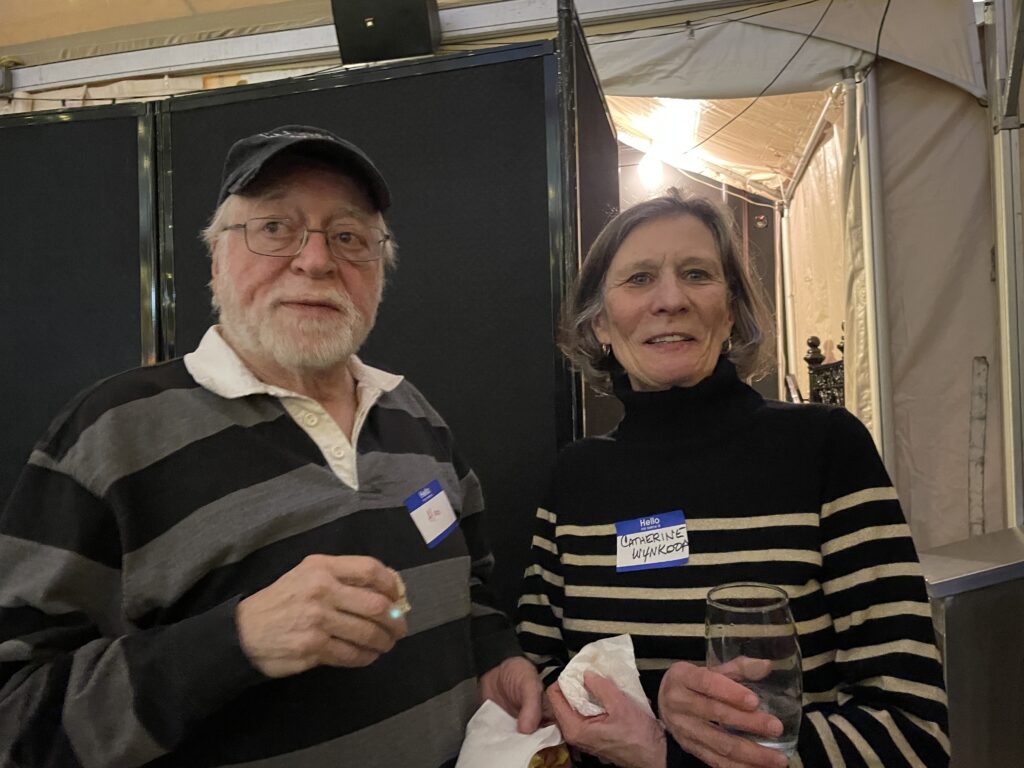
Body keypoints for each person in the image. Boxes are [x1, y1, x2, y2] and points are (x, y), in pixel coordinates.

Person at [0, 125, 541, 767]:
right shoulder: (111, 435)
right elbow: (15, 719)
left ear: (380, 270)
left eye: (349, 237)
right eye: (274, 228)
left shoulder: (413, 414)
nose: (316, 261)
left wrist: (495, 652)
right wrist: (236, 642)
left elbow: (469, 583)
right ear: (215, 260)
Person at [516, 191, 949, 768]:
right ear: (599, 323)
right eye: (639, 279)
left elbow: (912, 731)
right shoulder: (575, 478)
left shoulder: (825, 448)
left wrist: (668, 753)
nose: (670, 300)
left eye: (697, 274)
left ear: (732, 310)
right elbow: (541, 677)